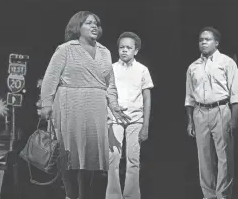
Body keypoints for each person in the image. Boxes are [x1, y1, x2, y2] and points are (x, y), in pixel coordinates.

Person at [40, 11, 130, 199]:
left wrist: (114, 105)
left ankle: (84, 195)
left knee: (90, 155)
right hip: (69, 104)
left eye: (96, 23)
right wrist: (46, 104)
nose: (94, 26)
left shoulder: (105, 52)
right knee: (69, 153)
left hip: (95, 107)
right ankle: (71, 195)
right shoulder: (66, 49)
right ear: (77, 27)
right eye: (88, 23)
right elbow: (50, 78)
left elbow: (110, 84)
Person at [185, 27, 238, 199]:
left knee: (224, 156)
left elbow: (236, 92)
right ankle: (208, 195)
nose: (203, 42)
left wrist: (234, 117)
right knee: (204, 157)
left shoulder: (227, 63)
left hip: (221, 110)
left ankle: (223, 195)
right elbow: (189, 96)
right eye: (201, 39)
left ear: (216, 42)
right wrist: (189, 120)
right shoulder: (193, 67)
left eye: (207, 39)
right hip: (200, 112)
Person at [106, 31, 154, 199]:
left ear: (136, 50)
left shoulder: (142, 70)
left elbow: (147, 98)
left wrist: (145, 125)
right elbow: (107, 94)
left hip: (136, 120)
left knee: (133, 159)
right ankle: (113, 196)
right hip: (115, 118)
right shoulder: (111, 68)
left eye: (128, 47)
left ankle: (131, 196)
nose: (124, 50)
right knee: (113, 157)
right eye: (121, 47)